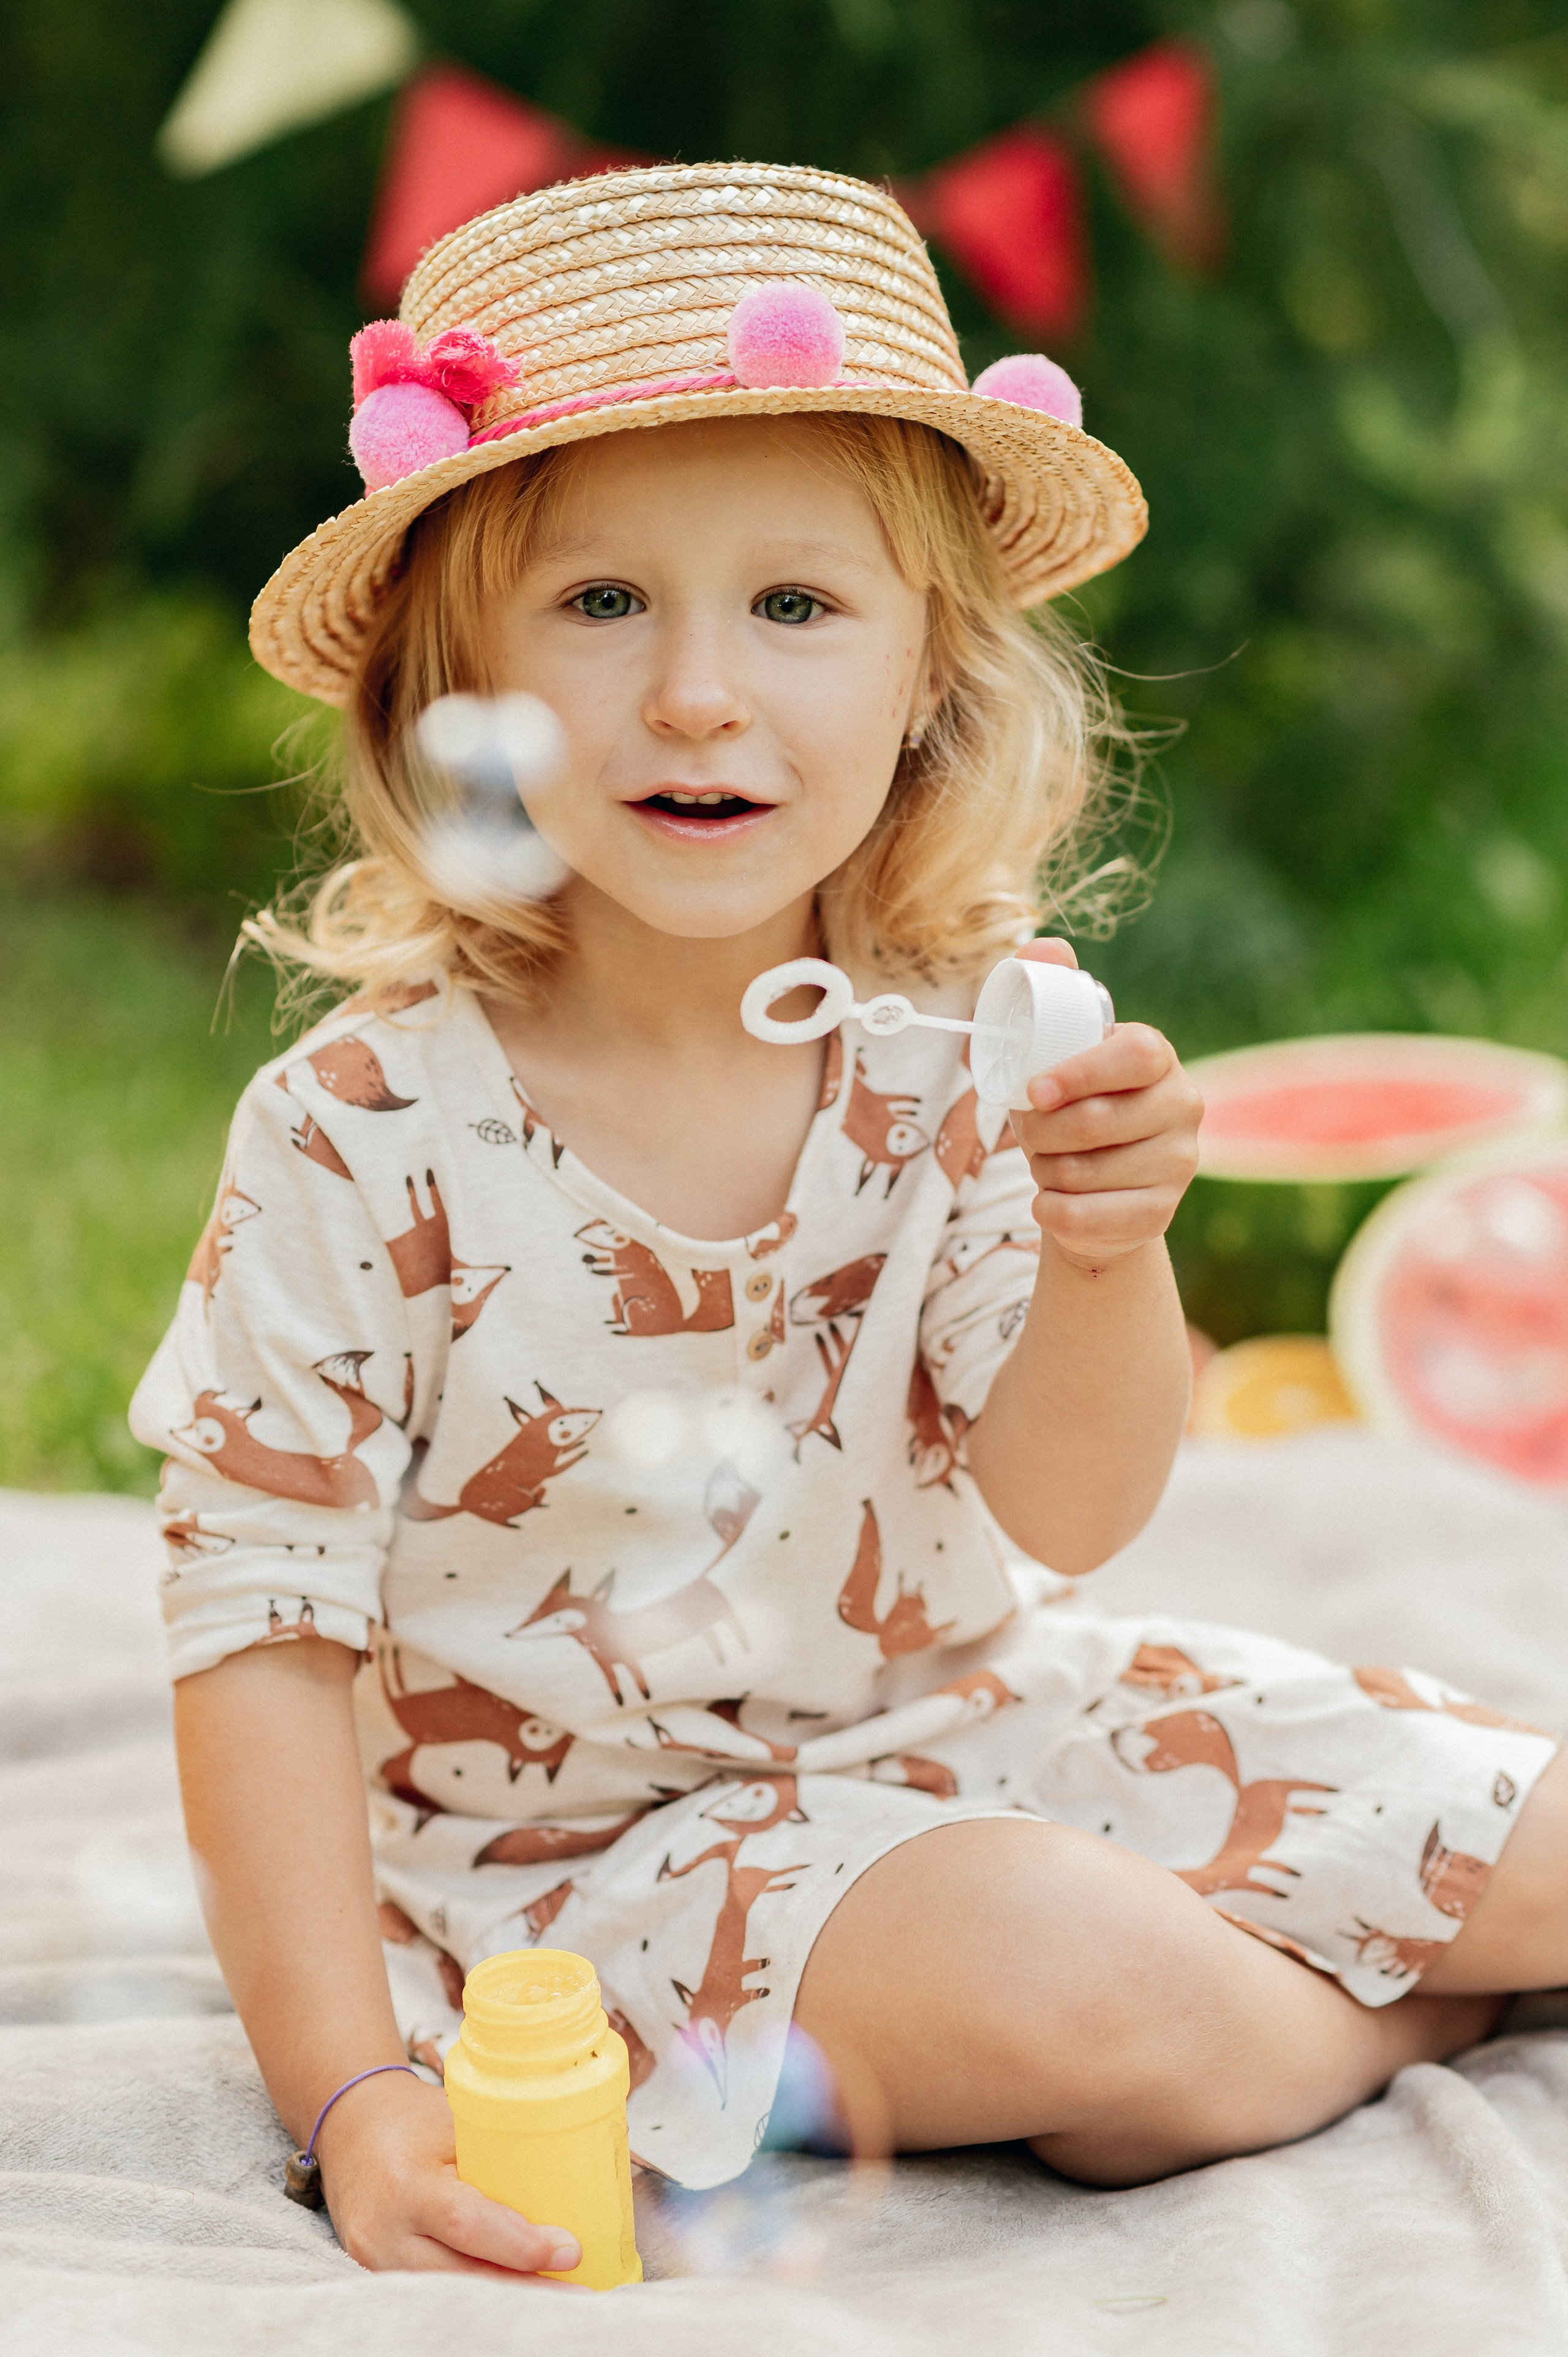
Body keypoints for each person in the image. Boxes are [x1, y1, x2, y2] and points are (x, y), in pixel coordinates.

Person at [132, 161, 1566, 2279]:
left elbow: (1069, 1518)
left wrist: (1104, 1249)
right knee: (1078, 1969)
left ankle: (1210, 2055)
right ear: (461, 694)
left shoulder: (964, 1058)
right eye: (600, 604)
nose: (700, 692)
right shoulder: (360, 1129)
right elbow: (258, 1634)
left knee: (1539, 1836)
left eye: (796, 609)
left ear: (926, 684)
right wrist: (355, 2092)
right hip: (587, 1858)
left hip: (990, 1718)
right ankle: (1318, 2032)